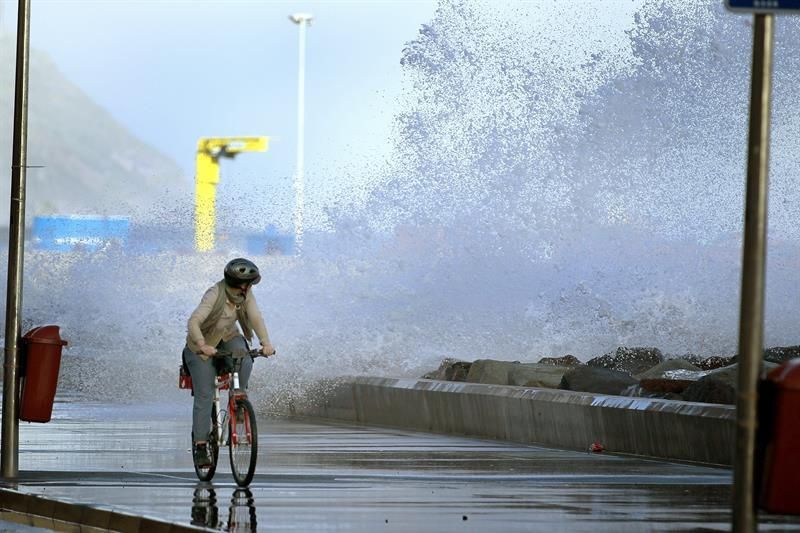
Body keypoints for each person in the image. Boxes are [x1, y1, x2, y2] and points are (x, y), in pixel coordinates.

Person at [183, 258, 275, 467]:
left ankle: (238, 399)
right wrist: (201, 344)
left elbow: (255, 317)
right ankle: (200, 445)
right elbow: (193, 322)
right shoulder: (214, 293)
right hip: (201, 347)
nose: (250, 287)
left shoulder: (245, 295)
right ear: (239, 284)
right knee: (205, 394)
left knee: (245, 356)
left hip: (226, 338)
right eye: (248, 283)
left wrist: (266, 343)